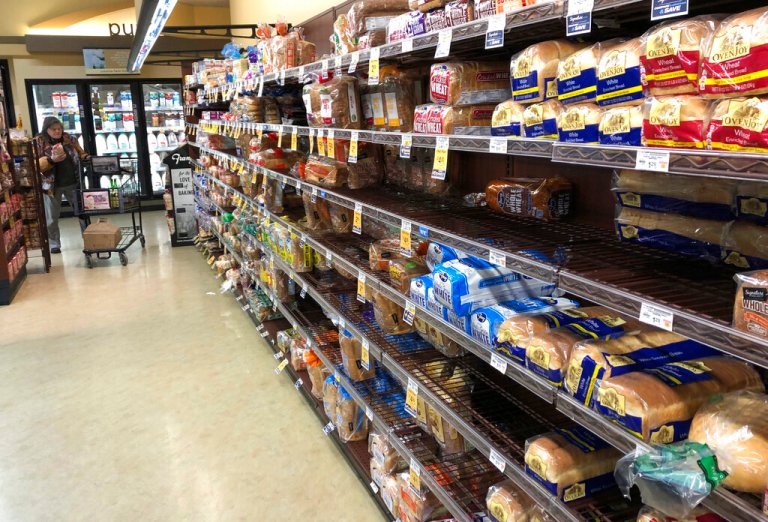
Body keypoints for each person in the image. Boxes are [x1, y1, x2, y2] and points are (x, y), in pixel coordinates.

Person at [36, 116, 89, 253]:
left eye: (59, 128)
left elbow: (80, 152)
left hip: (72, 182)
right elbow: (37, 165)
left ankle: (89, 239)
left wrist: (85, 157)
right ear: (46, 129)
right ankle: (54, 243)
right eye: (54, 129)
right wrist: (51, 160)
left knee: (82, 213)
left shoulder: (69, 139)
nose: (57, 131)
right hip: (51, 186)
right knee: (52, 217)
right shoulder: (39, 142)